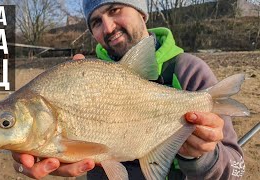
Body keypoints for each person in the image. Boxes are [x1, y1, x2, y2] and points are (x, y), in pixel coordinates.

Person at [12, 0, 245, 179]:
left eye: (114, 10)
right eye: (96, 21)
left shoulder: (189, 72)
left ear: (142, 13)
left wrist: (202, 157)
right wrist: (32, 150)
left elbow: (237, 168)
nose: (108, 27)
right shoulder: (82, 76)